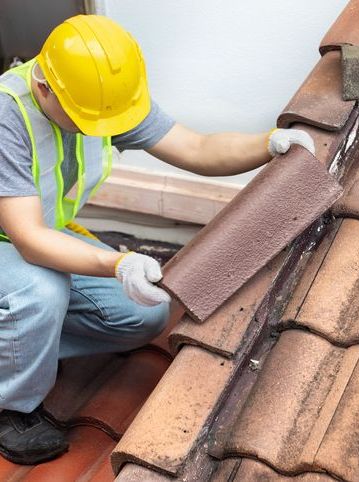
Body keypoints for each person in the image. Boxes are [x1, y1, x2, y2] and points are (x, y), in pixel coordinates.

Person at [0, 14, 315, 464]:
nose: (97, 128)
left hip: (32, 235)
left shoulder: (99, 96)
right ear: (46, 88)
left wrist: (268, 144)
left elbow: (196, 148)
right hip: (17, 240)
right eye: (84, 119)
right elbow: (29, 240)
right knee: (42, 290)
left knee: (142, 316)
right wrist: (116, 264)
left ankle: (24, 339)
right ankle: (13, 407)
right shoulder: (7, 118)